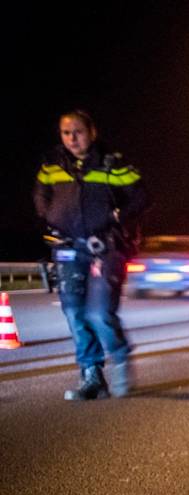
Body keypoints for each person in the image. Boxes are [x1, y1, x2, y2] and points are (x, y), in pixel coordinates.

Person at [33, 110, 148, 400]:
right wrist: (50, 216)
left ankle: (120, 359)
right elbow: (40, 195)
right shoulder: (51, 164)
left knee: (98, 313)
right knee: (74, 312)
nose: (72, 138)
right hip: (69, 248)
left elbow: (141, 197)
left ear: (92, 132)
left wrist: (118, 219)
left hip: (105, 248)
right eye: (66, 132)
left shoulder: (113, 163)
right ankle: (92, 375)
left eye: (78, 131)